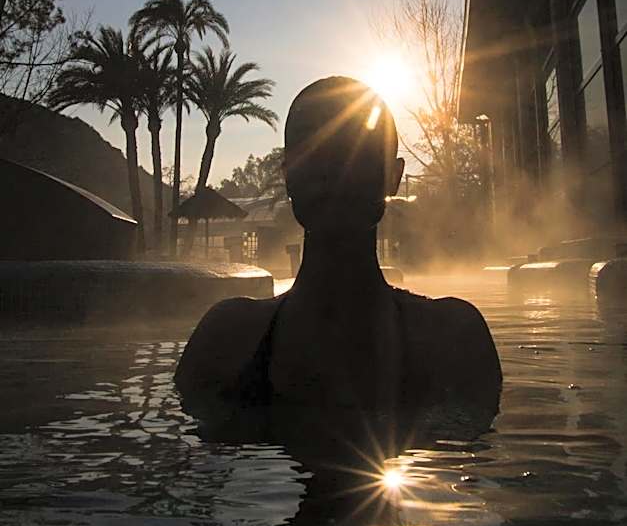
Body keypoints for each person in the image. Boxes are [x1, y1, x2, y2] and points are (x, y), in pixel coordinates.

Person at [175, 76, 502, 423]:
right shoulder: (227, 336)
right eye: (315, 152)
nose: (335, 170)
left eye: (355, 151)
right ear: (288, 176)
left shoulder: (455, 335)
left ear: (393, 175)